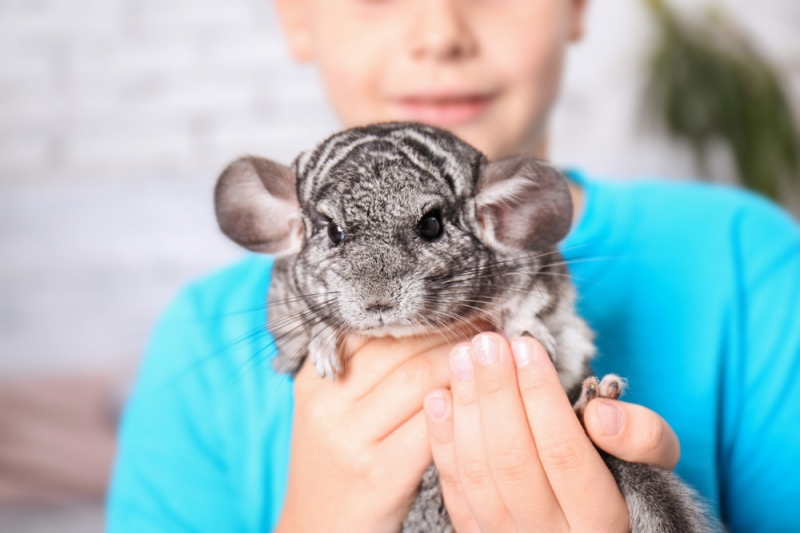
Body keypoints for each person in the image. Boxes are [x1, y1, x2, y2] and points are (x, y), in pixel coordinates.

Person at [107, 0, 800, 531]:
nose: (440, 33)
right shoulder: (195, 344)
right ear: (295, 14)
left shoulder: (751, 264)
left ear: (578, 6)